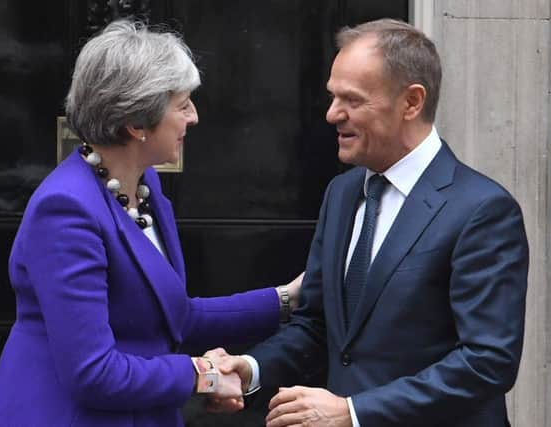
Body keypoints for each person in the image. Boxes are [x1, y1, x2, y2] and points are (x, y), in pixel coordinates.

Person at [0, 20, 303, 427]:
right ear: (137, 123)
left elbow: (173, 315)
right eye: (183, 104)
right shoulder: (65, 210)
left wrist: (287, 298)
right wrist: (203, 376)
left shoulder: (144, 185)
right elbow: (92, 373)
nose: (195, 117)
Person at [208, 18, 529, 427]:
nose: (331, 114)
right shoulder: (342, 194)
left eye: (352, 100)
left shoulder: (482, 210)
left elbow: (488, 362)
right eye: (332, 97)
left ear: (411, 102)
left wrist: (354, 412)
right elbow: (318, 326)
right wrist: (252, 368)